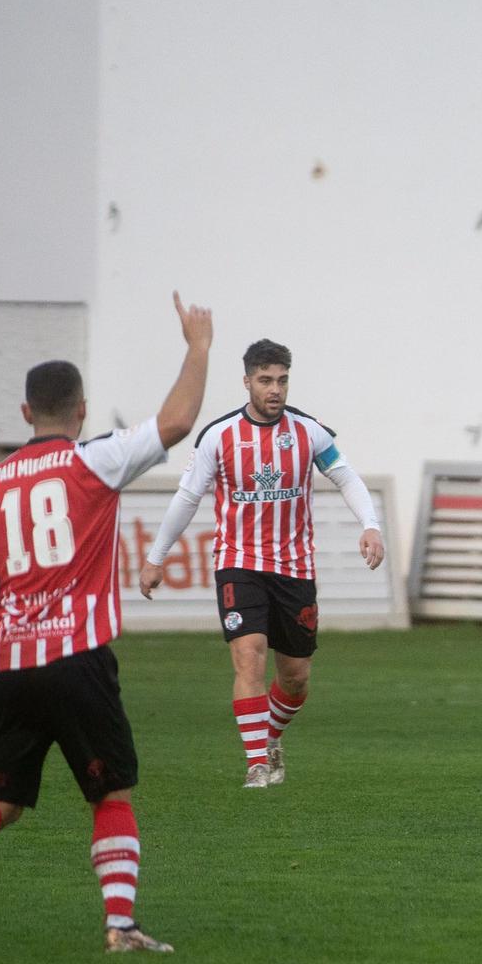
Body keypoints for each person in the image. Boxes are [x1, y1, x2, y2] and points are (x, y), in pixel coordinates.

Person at [0, 292, 213, 952]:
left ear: (26, 412)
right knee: (110, 793)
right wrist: (198, 346)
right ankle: (120, 926)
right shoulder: (98, 457)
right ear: (82, 409)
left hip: (9, 665)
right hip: (78, 656)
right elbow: (176, 422)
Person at [138, 338, 384, 788]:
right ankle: (256, 765)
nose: (275, 389)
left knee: (295, 678)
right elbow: (188, 497)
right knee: (248, 657)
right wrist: (156, 557)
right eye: (266, 380)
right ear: (247, 381)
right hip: (239, 564)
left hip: (295, 568)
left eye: (282, 380)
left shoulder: (309, 432)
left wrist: (370, 524)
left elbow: (346, 476)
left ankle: (269, 738)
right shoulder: (219, 435)